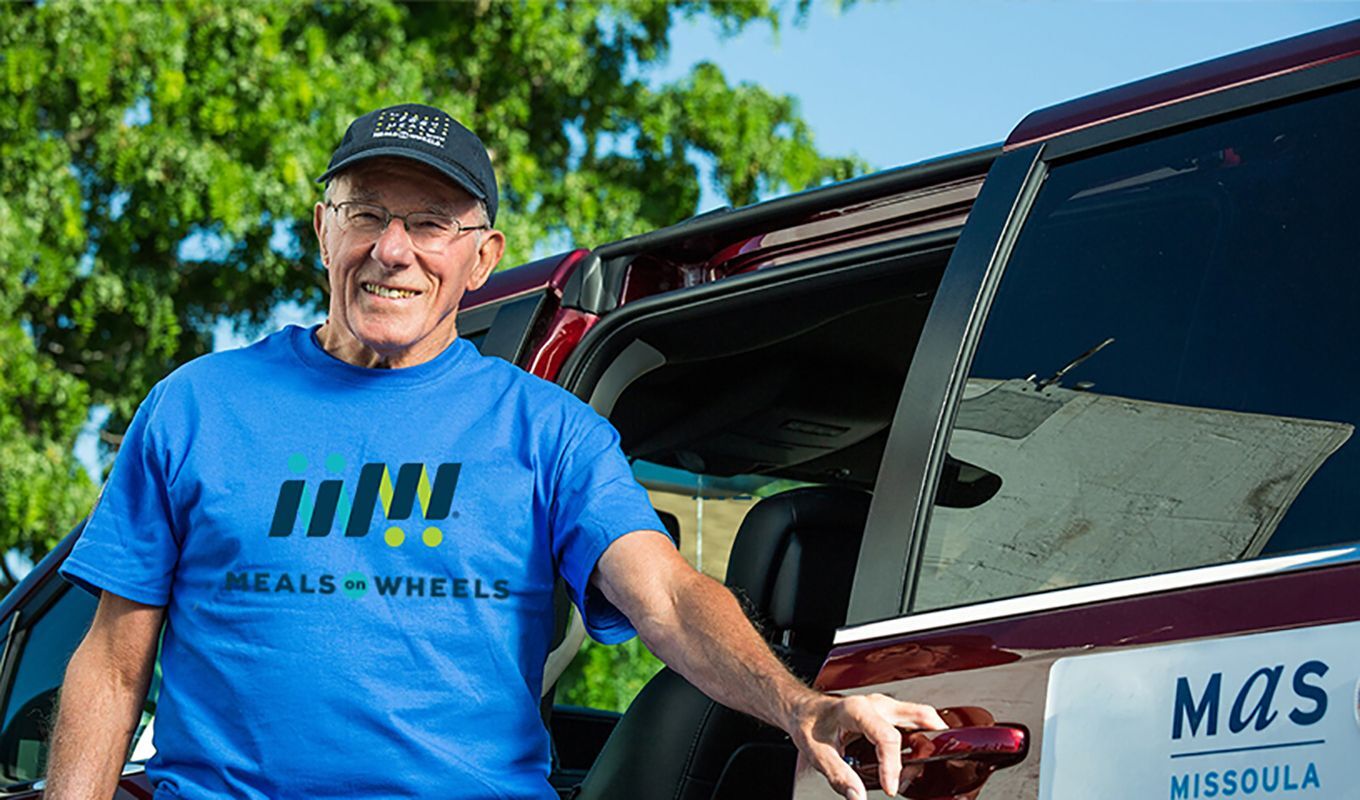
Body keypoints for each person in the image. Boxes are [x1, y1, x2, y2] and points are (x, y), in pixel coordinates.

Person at [45, 103, 944, 800]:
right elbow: (113, 660)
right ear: (323, 227)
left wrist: (801, 706)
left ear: (482, 258)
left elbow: (667, 596)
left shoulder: (549, 435)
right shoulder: (198, 407)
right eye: (366, 213)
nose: (391, 250)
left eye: (431, 222)